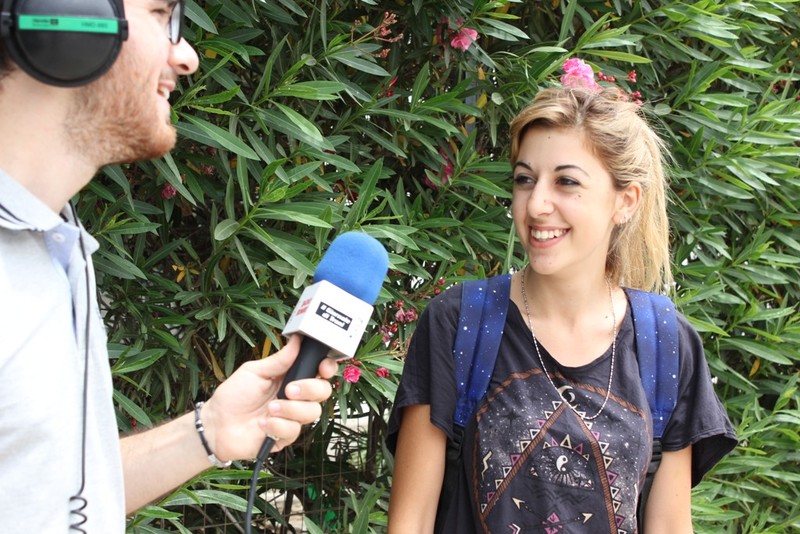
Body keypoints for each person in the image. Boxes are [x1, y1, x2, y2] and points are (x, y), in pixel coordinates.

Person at [0, 0, 337, 531]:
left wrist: (210, 430)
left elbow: (55, 498)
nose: (188, 57)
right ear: (62, 11)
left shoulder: (53, 243)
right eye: (161, 16)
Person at [386, 67, 737, 533]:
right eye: (525, 179)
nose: (536, 205)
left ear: (625, 201)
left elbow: (670, 526)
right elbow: (410, 521)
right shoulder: (460, 323)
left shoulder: (665, 343)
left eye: (566, 182)